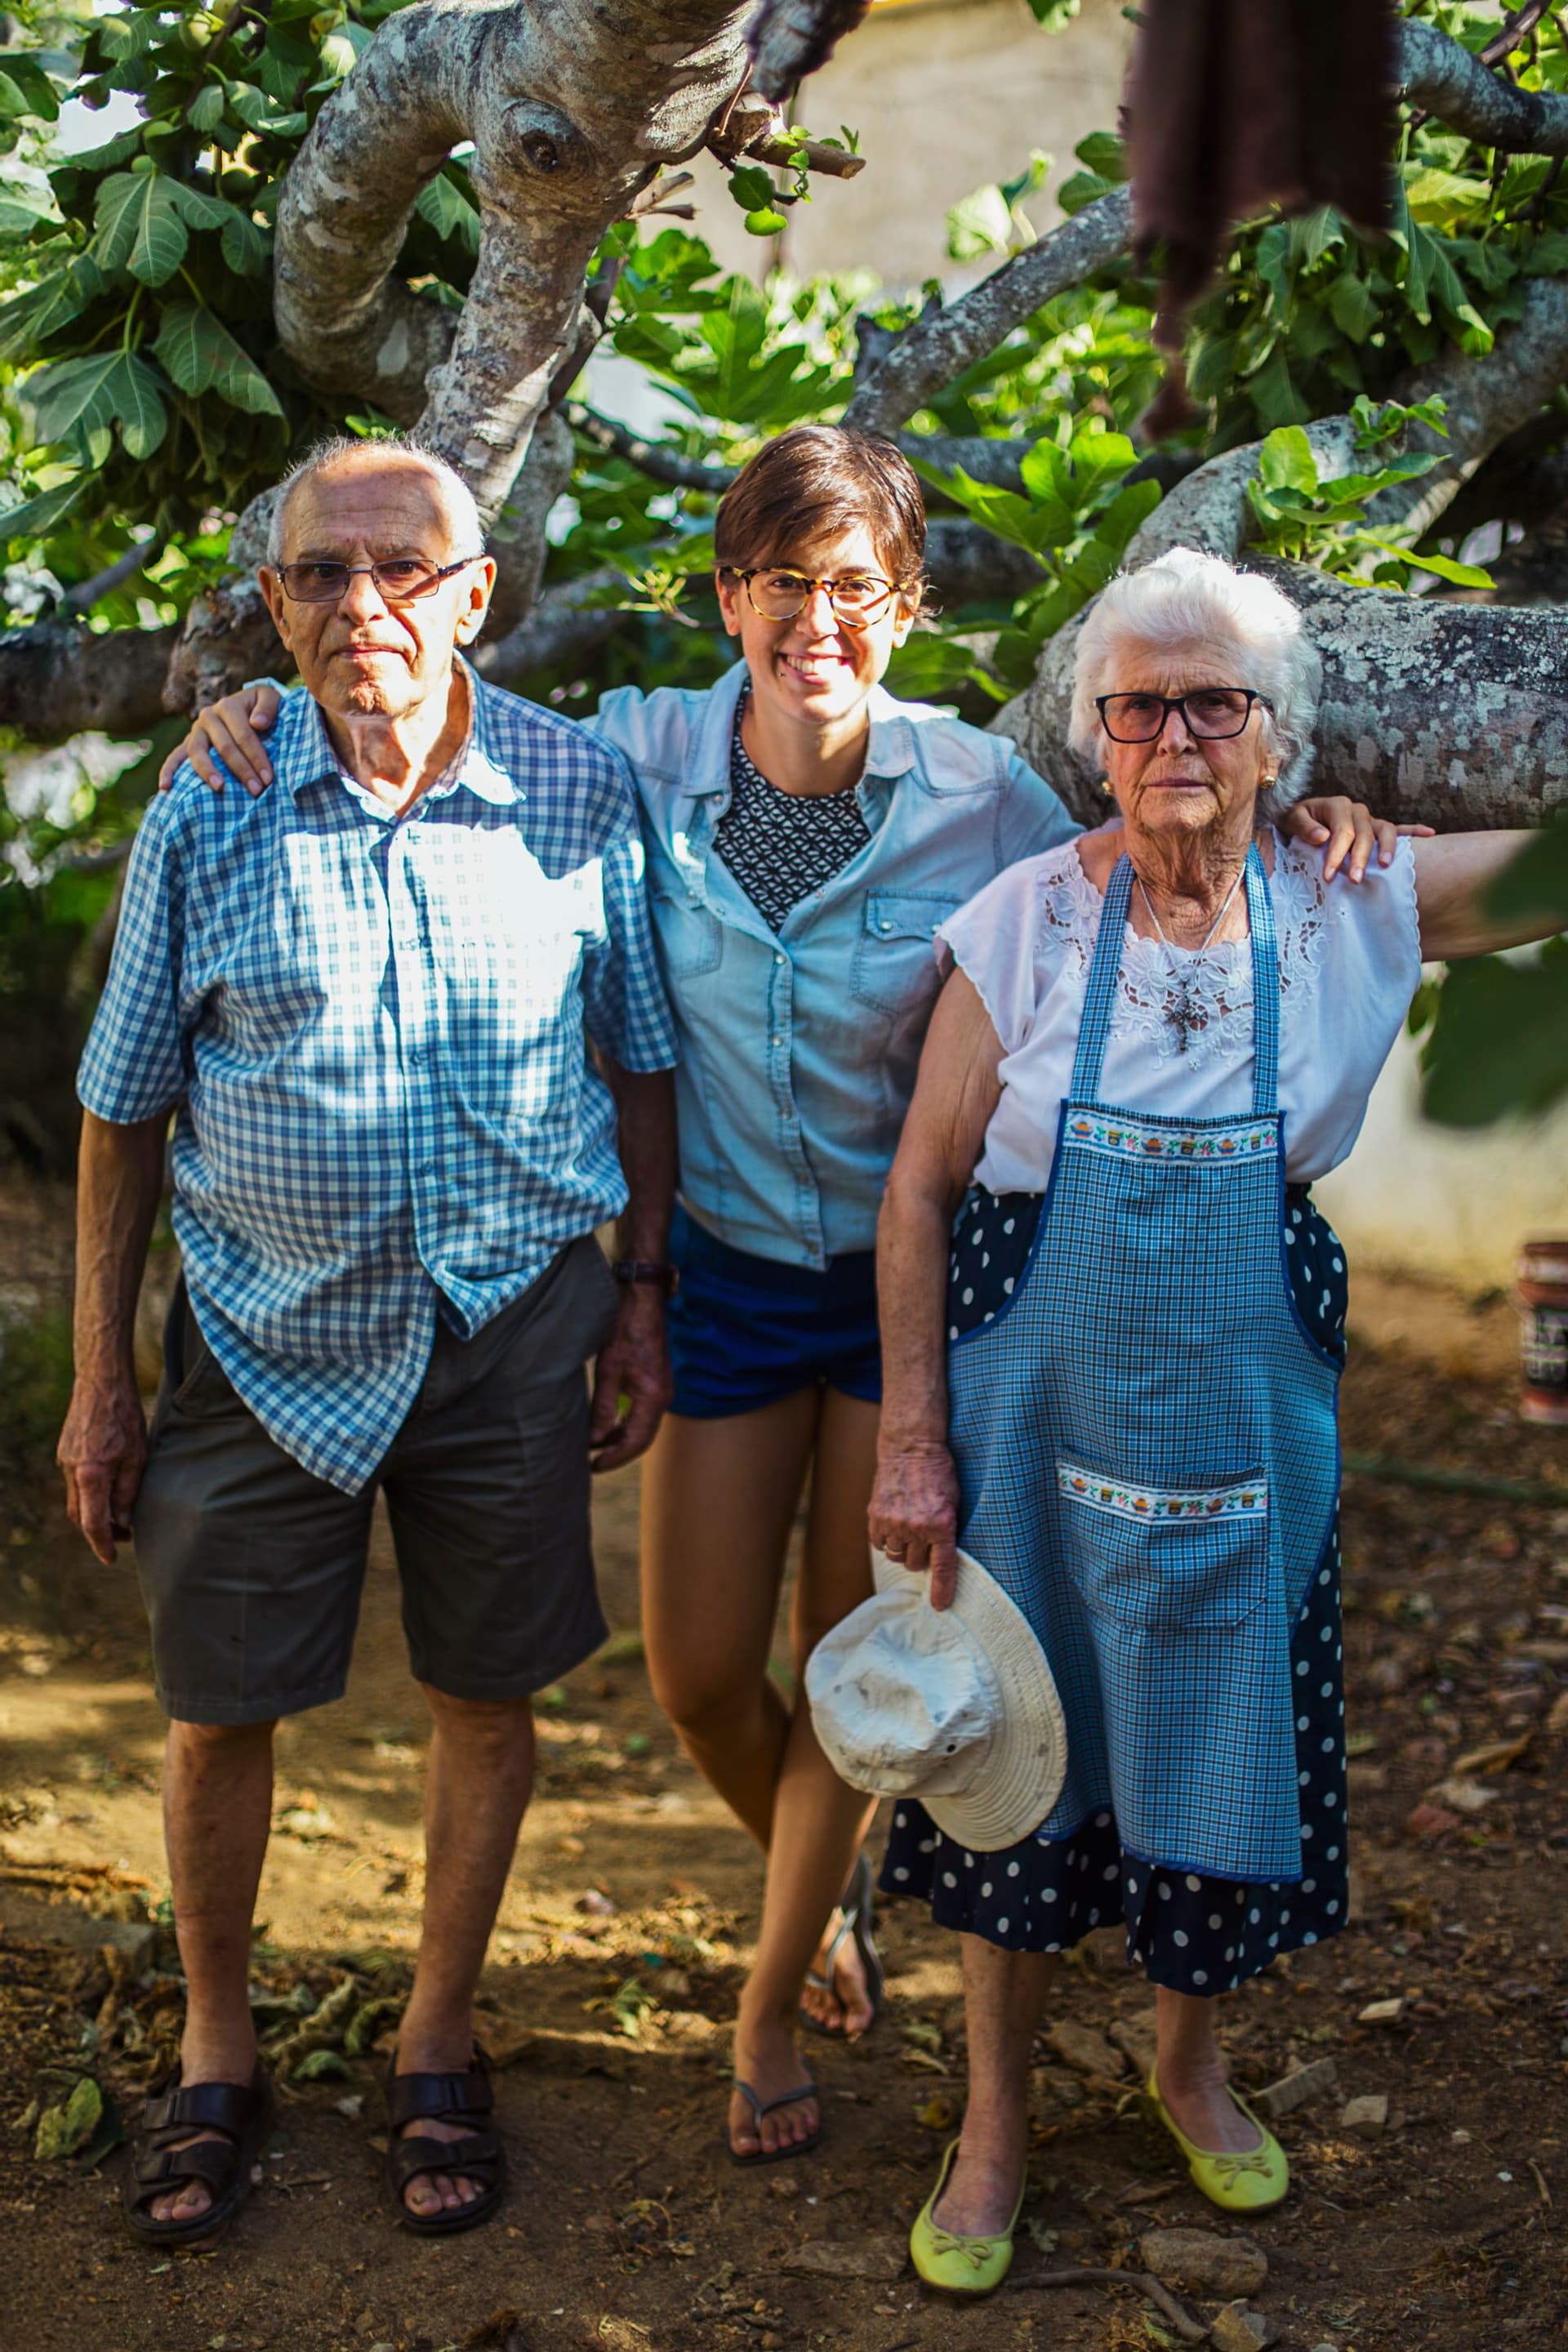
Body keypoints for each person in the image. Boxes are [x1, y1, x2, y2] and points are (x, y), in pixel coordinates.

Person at [166, 427, 1404, 2165]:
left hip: (920, 1294)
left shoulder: (983, 791)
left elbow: (1165, 826)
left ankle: (767, 2002)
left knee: (852, 1666)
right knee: (691, 1670)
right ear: (729, 596)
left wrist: (1311, 809)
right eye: (778, 585)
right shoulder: (633, 759)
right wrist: (248, 710)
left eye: (854, 590)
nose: (814, 623)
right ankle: (820, 1894)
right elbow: (423, 713)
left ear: (898, 607)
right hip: (737, 1271)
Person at [866, 546, 1562, 2294]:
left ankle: (1190, 2067)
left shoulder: (1352, 899)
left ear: (1277, 736)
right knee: (1008, 1767)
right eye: (1141, 703)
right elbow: (919, 1193)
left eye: (1215, 702)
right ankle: (995, 2125)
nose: (1175, 730)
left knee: (1224, 1737)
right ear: (1098, 733)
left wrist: (1374, 828)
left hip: (1239, 1436)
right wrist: (913, 1441)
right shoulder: (1022, 918)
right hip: (1028, 1431)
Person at [58, 436, 678, 2245]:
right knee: (217, 1706)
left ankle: (434, 2032)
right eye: (323, 576)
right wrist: (106, 1378)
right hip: (262, 1331)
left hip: (510, 1324)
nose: (364, 607)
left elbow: (639, 1055)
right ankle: (218, 2043)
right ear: (275, 607)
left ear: (478, 593)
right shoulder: (216, 799)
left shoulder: (577, 791)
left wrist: (640, 1294)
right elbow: (123, 1109)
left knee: (486, 1691)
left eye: (405, 570)